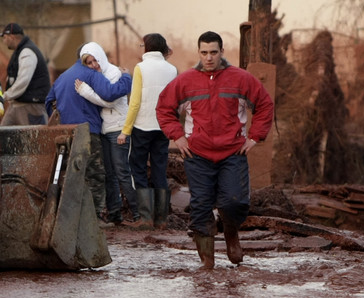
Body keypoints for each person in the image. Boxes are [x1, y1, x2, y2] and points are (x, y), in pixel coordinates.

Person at [156, 31, 274, 269]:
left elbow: (264, 104)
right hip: (197, 155)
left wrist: (254, 137)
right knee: (200, 207)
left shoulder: (241, 79)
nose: (209, 58)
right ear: (198, 53)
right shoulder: (185, 81)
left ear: (222, 51)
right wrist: (177, 137)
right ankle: (207, 264)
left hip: (233, 153)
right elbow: (164, 108)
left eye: (213, 52)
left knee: (234, 202)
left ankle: (231, 233)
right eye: (204, 52)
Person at [45, 48, 132, 227]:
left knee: (72, 174)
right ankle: (96, 218)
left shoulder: (63, 77)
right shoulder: (91, 74)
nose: (94, 64)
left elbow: (49, 101)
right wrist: (126, 78)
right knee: (95, 174)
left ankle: (70, 218)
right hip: (88, 131)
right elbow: (110, 93)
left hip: (65, 132)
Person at [75, 42, 139, 226]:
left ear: (101, 57)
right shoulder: (95, 76)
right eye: (89, 62)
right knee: (109, 173)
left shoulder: (114, 73)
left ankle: (137, 213)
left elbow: (110, 101)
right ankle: (115, 213)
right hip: (105, 129)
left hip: (118, 128)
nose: (94, 64)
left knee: (122, 172)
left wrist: (86, 92)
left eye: (95, 59)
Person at [119, 33, 178, 229]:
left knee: (138, 168)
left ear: (146, 47)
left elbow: (134, 103)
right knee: (160, 169)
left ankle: (145, 218)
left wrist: (125, 131)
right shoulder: (172, 70)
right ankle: (161, 219)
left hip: (142, 126)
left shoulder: (140, 68)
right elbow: (175, 102)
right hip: (163, 127)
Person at [1, 23, 51, 125]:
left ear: (12, 37)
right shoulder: (19, 51)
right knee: (4, 137)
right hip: (16, 105)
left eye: (5, 38)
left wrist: (5, 96)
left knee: (33, 140)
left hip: (31, 107)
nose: (3, 41)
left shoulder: (27, 52)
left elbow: (23, 81)